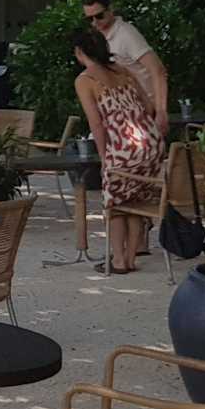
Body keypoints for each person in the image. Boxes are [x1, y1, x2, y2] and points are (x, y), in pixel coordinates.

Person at [73, 24, 165, 273]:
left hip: (123, 148)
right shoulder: (123, 70)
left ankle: (118, 260)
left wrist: (105, 157)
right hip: (151, 145)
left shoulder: (85, 80)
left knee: (114, 205)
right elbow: (148, 106)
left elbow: (96, 122)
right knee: (135, 202)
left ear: (79, 52)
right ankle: (131, 258)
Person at [81, 0, 168, 118]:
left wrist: (161, 111)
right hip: (124, 113)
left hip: (146, 110)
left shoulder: (126, 34)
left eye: (99, 16)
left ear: (110, 9)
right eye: (89, 19)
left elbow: (158, 70)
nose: (94, 22)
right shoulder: (97, 37)